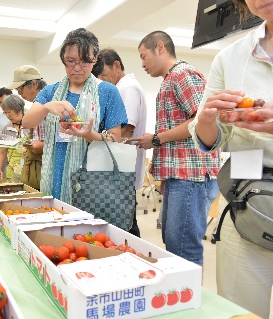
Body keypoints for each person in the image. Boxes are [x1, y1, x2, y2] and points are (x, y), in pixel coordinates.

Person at [188, 1, 273, 316]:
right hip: (245, 200)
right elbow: (210, 138)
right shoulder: (231, 57)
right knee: (240, 308)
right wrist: (207, 120)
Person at [133, 31, 220, 266]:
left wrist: (157, 139)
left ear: (160, 48)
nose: (142, 64)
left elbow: (201, 121)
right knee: (173, 244)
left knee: (184, 249)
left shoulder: (183, 75)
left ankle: (190, 301)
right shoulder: (170, 79)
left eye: (144, 56)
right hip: (179, 176)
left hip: (191, 177)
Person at [22, 28, 128, 202]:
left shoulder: (108, 91)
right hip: (55, 175)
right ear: (63, 60)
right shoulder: (52, 91)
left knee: (84, 227)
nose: (77, 68)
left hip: (92, 179)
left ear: (95, 60)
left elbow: (115, 139)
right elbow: (26, 122)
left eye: (84, 61)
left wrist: (89, 134)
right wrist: (47, 107)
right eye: (71, 61)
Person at [94, 48, 148, 238]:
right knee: (122, 222)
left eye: (103, 74)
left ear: (116, 65)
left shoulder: (127, 88)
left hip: (122, 169)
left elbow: (126, 129)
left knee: (126, 227)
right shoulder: (121, 88)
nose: (102, 80)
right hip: (121, 168)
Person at [5, 65, 47, 190]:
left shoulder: (50, 101)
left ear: (34, 83)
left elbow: (64, 136)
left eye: (20, 88)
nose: (19, 93)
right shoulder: (37, 104)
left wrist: (42, 145)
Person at [0, 95, 38, 180]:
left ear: (19, 109)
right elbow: (2, 151)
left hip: (30, 170)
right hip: (12, 171)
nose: (7, 115)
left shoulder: (32, 125)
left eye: (9, 112)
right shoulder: (6, 128)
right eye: (5, 113)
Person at [0, 87, 13, 173]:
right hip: (3, 154)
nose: (2, 104)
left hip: (18, 155)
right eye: (0, 102)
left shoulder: (23, 114)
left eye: (4, 101)